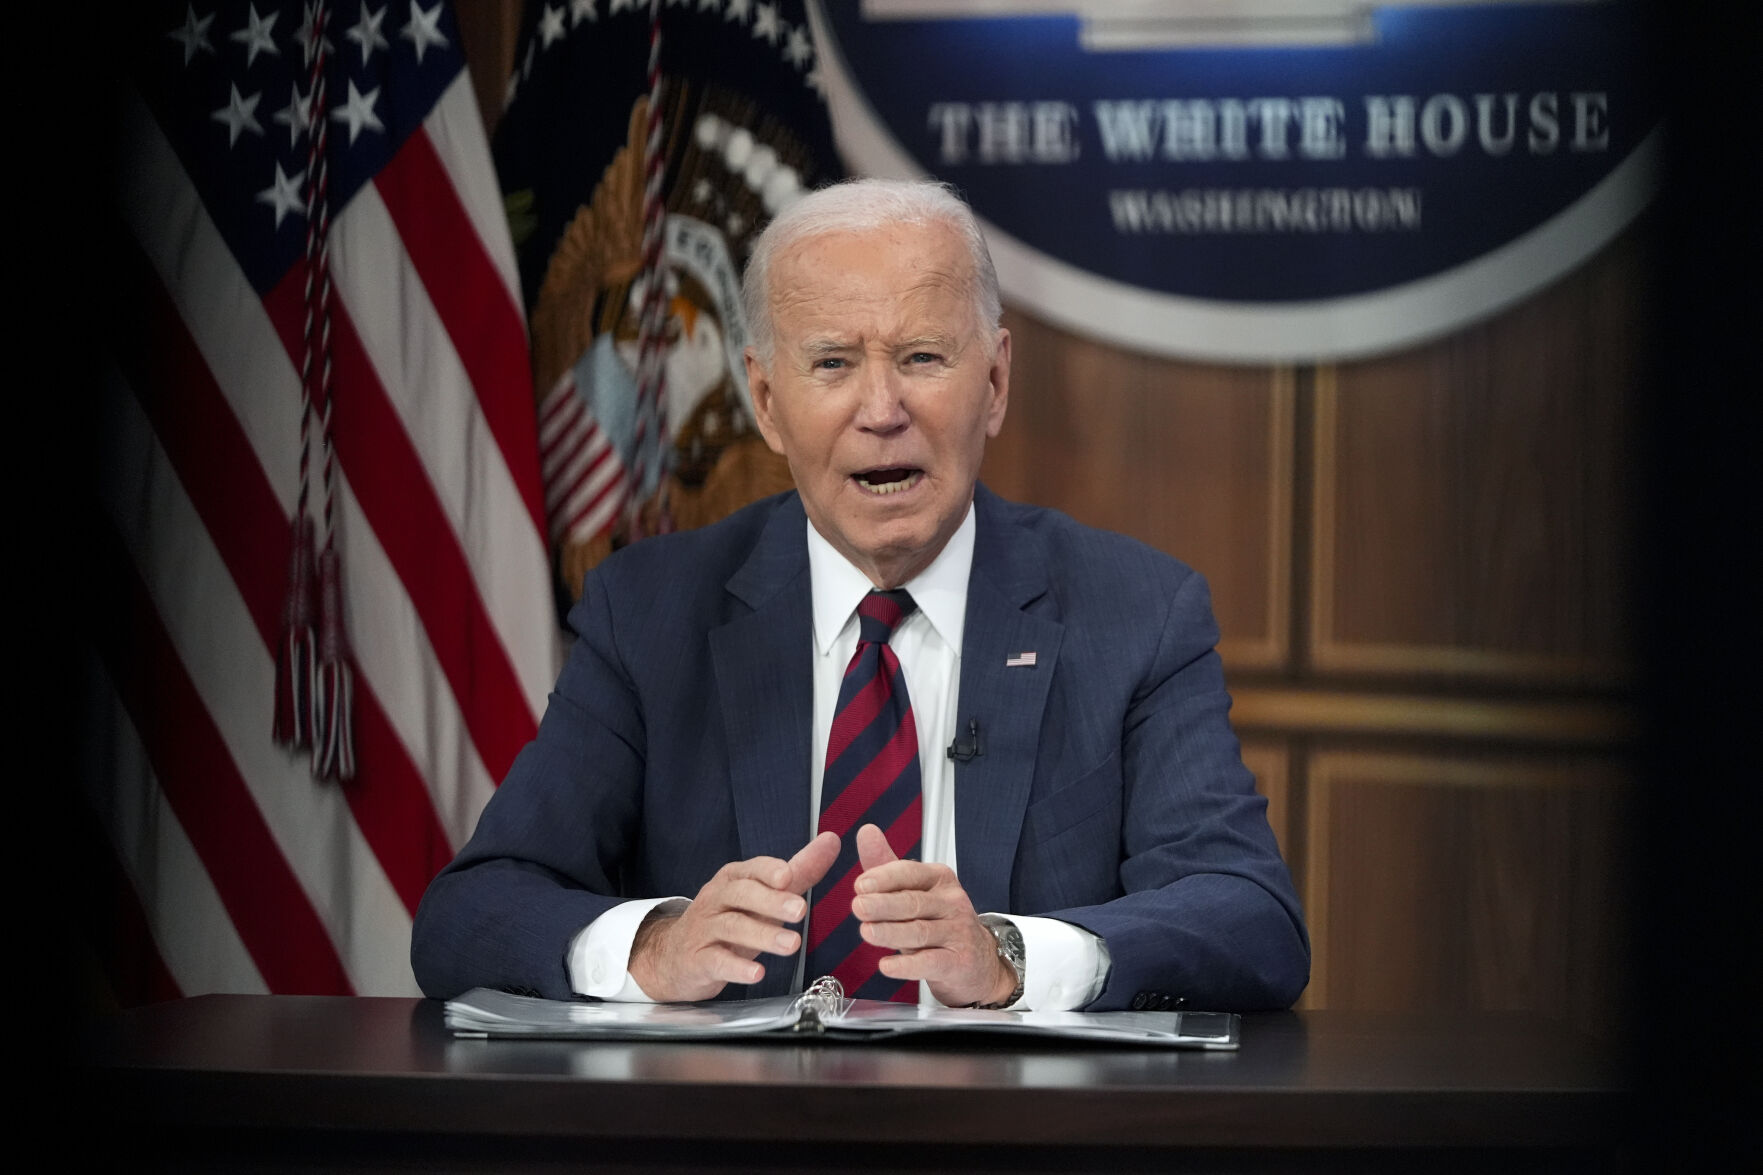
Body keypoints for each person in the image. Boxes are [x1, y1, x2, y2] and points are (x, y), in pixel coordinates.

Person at [411, 179, 1308, 1013]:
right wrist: (651, 946)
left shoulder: (1135, 613)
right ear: (765, 400)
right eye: (833, 364)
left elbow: (1249, 916)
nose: (881, 409)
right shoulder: (650, 614)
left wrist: (1012, 958)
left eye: (921, 356)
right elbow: (470, 912)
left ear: (993, 382)